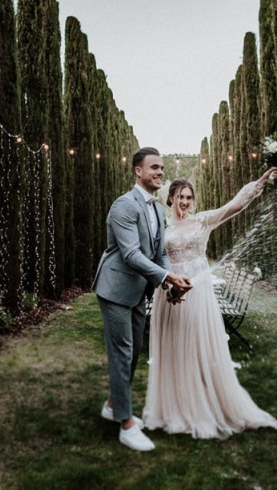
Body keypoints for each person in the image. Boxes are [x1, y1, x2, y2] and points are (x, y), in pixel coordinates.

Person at [143, 167, 277, 439]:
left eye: (189, 197)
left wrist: (258, 185)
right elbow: (156, 259)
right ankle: (177, 404)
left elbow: (233, 207)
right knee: (174, 345)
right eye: (180, 197)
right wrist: (166, 284)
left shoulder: (203, 221)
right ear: (170, 198)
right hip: (171, 293)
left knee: (197, 343)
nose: (184, 202)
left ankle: (204, 402)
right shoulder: (163, 227)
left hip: (199, 291)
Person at [92, 147, 193, 451]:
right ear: (138, 171)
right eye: (154, 168)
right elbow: (131, 254)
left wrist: (170, 281)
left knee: (134, 352)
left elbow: (159, 253)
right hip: (115, 290)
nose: (160, 172)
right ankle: (125, 424)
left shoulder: (156, 210)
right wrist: (166, 278)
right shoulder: (124, 205)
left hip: (138, 291)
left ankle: (112, 404)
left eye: (162, 168)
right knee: (123, 355)